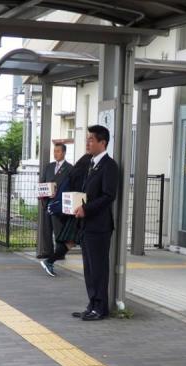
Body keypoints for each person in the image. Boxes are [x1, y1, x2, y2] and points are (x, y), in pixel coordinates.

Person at [71, 125, 119, 321]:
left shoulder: (109, 166)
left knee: (99, 267)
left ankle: (101, 308)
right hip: (86, 224)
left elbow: (108, 196)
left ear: (103, 143)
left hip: (99, 226)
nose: (87, 142)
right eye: (87, 139)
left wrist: (87, 209)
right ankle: (92, 303)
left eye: (91, 139)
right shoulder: (90, 163)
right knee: (89, 268)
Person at [40, 152, 92, 277]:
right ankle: (49, 261)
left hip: (71, 211)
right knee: (77, 241)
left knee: (70, 241)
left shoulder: (73, 172)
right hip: (80, 212)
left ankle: (49, 261)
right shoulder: (83, 176)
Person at [38, 143, 73, 259]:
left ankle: (59, 253)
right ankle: (47, 251)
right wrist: (41, 195)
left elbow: (71, 186)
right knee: (46, 228)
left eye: (58, 151)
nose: (55, 153)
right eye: (54, 151)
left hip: (59, 204)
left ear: (63, 153)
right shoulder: (49, 167)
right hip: (47, 202)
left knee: (58, 229)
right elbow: (43, 182)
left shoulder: (69, 168)